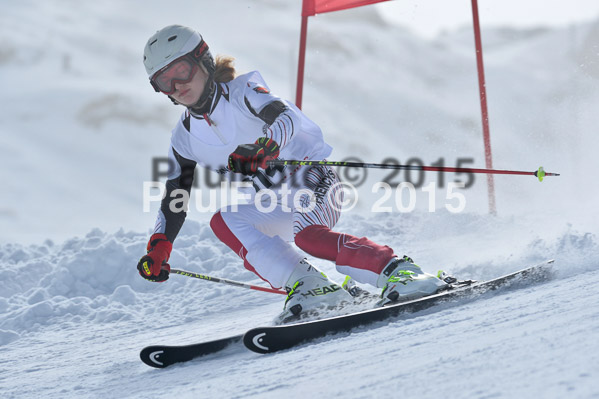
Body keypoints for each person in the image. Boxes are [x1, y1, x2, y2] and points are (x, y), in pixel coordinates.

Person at [137, 25, 451, 318]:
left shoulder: (243, 90)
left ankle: (399, 271)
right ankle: (312, 287)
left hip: (311, 177)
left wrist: (265, 147)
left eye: (182, 71)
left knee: (309, 237)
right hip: (271, 201)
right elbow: (176, 193)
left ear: (202, 60)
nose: (178, 86)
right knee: (225, 221)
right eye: (166, 81)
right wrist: (160, 243)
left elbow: (287, 116)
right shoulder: (184, 137)